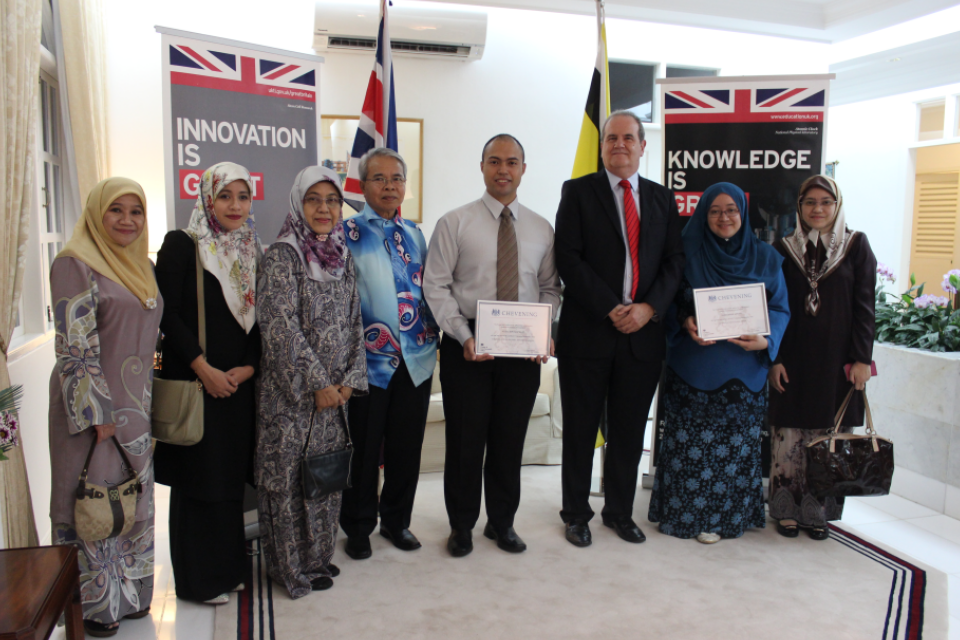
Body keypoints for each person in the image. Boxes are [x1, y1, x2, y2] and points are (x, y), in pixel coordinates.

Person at [424, 134, 561, 557]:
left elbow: (550, 288)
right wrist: (462, 337)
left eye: (512, 162)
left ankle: (501, 523)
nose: (504, 169)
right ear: (482, 166)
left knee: (508, 440)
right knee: (466, 442)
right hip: (468, 345)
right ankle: (461, 526)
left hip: (521, 350)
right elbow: (436, 285)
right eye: (495, 161)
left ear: (524, 168)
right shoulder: (455, 222)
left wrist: (544, 331)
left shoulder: (541, 228)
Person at [554, 110, 684, 548]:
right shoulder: (577, 192)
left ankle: (619, 512)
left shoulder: (663, 200)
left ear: (643, 146)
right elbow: (568, 257)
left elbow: (674, 264)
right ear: (603, 145)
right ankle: (575, 513)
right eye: (612, 138)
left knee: (629, 432)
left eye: (629, 138)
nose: (620, 145)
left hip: (643, 338)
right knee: (580, 429)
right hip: (588, 332)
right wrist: (612, 307)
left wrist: (648, 308)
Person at [49, 177, 161, 638]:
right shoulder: (75, 263)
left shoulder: (140, 266)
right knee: (94, 507)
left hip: (137, 411)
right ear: (97, 213)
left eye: (136, 211)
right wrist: (99, 417)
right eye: (117, 210)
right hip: (94, 414)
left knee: (132, 504)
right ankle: (96, 607)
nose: (128, 221)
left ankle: (133, 596)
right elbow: (74, 347)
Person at [647, 183, 790, 544]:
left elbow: (780, 308)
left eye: (731, 210)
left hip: (744, 373)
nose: (724, 217)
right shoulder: (684, 253)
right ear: (702, 214)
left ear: (743, 212)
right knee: (687, 447)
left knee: (735, 449)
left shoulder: (766, 258)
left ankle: (726, 518)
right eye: (714, 210)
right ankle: (685, 516)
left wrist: (767, 340)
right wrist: (684, 322)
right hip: (693, 367)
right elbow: (668, 301)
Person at [256, 166, 368, 599]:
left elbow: (356, 321)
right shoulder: (282, 256)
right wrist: (317, 382)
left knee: (324, 477)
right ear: (298, 204)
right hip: (293, 398)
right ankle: (290, 569)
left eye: (333, 200)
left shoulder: (342, 254)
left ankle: (318, 559)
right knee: (287, 481)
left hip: (335, 395)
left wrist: (348, 381)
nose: (325, 209)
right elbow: (280, 327)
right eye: (314, 200)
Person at [154, 162, 262, 605]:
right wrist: (203, 367)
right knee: (199, 481)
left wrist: (249, 367)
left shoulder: (252, 248)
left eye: (242, 196)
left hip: (237, 387)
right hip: (198, 383)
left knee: (230, 480)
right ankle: (198, 582)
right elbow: (167, 313)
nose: (234, 206)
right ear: (207, 198)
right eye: (225, 196)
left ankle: (228, 570)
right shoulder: (183, 244)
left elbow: (257, 322)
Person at [339, 148, 438, 560]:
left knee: (405, 446)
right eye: (378, 178)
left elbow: (431, 289)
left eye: (396, 178)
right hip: (369, 362)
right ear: (362, 186)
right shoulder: (345, 234)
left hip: (416, 359)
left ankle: (397, 521)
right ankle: (359, 526)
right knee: (363, 448)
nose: (389, 186)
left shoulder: (416, 232)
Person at [768, 174, 876, 541]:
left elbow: (865, 309)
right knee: (789, 434)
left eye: (825, 202)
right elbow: (774, 307)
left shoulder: (856, 247)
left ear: (837, 205)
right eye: (809, 202)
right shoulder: (784, 249)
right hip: (793, 359)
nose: (817, 209)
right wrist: (775, 358)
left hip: (837, 363)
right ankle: (785, 507)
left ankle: (818, 510)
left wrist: (862, 359)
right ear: (799, 207)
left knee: (828, 434)